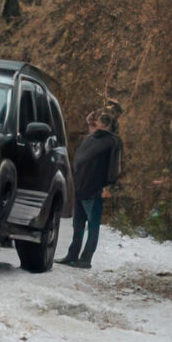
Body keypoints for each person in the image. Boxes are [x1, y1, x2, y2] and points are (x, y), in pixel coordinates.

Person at [57, 109, 122, 270]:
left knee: (92, 226)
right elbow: (78, 160)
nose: (93, 123)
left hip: (95, 188)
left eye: (98, 121)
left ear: (106, 125)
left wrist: (108, 186)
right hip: (80, 187)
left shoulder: (113, 141)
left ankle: (86, 259)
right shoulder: (89, 139)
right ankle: (72, 254)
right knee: (77, 225)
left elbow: (114, 166)